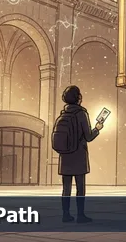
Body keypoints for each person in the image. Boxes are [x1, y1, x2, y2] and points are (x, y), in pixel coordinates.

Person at [53, 85, 103, 223]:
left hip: (65, 157)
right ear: (78, 98)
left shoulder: (62, 116)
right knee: (80, 188)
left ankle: (65, 214)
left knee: (66, 189)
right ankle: (80, 215)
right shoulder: (81, 114)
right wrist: (97, 129)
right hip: (78, 155)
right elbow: (88, 137)